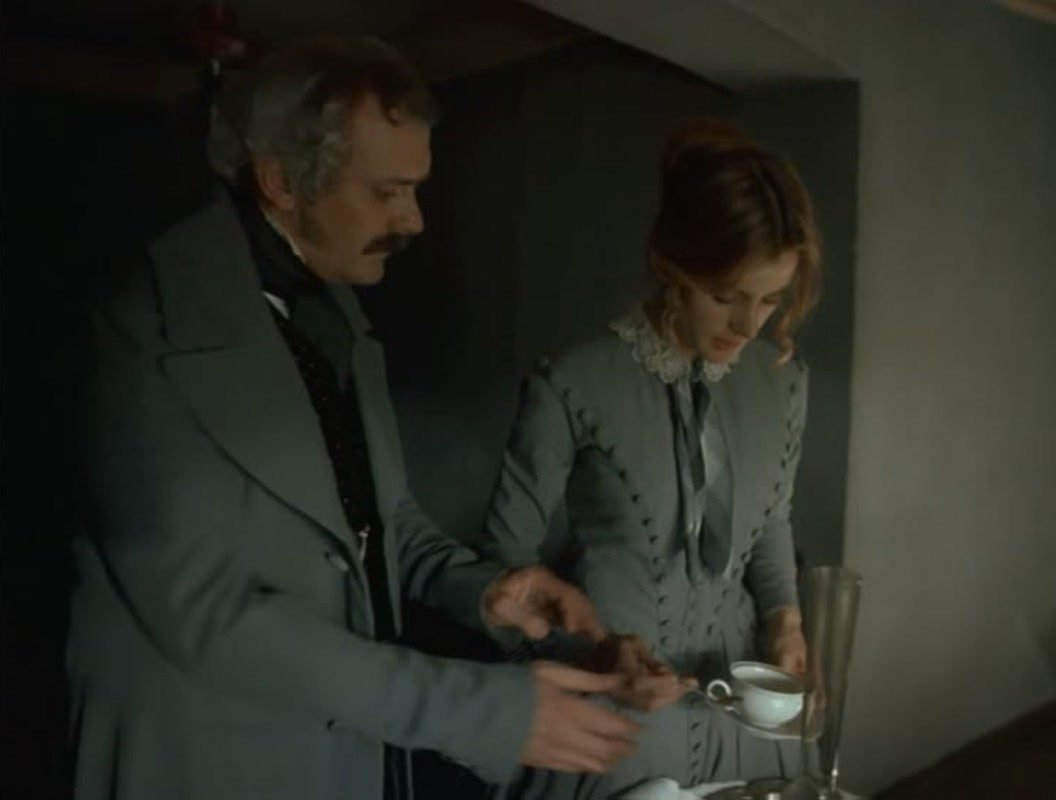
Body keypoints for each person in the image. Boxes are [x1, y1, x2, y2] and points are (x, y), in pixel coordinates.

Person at [66, 36, 643, 800]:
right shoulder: (140, 324)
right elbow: (208, 613)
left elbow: (378, 521)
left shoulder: (336, 312)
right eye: (387, 192)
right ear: (280, 181)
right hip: (205, 758)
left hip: (340, 751)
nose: (415, 220)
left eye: (417, 189)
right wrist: (477, 711)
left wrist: (485, 590)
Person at [479, 118, 822, 798]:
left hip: (742, 722)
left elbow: (770, 526)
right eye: (725, 296)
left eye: (770, 301)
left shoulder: (783, 384)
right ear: (672, 263)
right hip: (615, 721)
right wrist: (589, 653)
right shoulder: (573, 382)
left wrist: (785, 620)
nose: (748, 325)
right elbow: (502, 564)